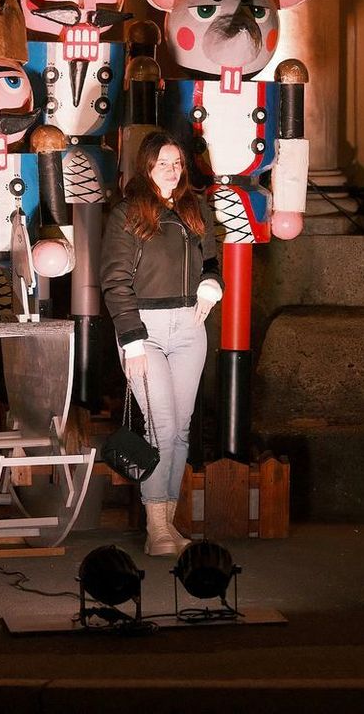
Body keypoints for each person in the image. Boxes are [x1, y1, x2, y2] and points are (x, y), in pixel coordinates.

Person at [100, 131, 222, 557]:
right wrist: (131, 338)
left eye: (177, 163)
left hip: (190, 325)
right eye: (163, 164)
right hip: (144, 329)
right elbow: (115, 280)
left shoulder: (195, 208)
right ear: (147, 167)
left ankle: (168, 523)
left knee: (181, 430)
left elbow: (211, 259)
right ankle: (156, 529)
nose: (172, 171)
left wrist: (211, 283)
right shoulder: (128, 213)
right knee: (162, 428)